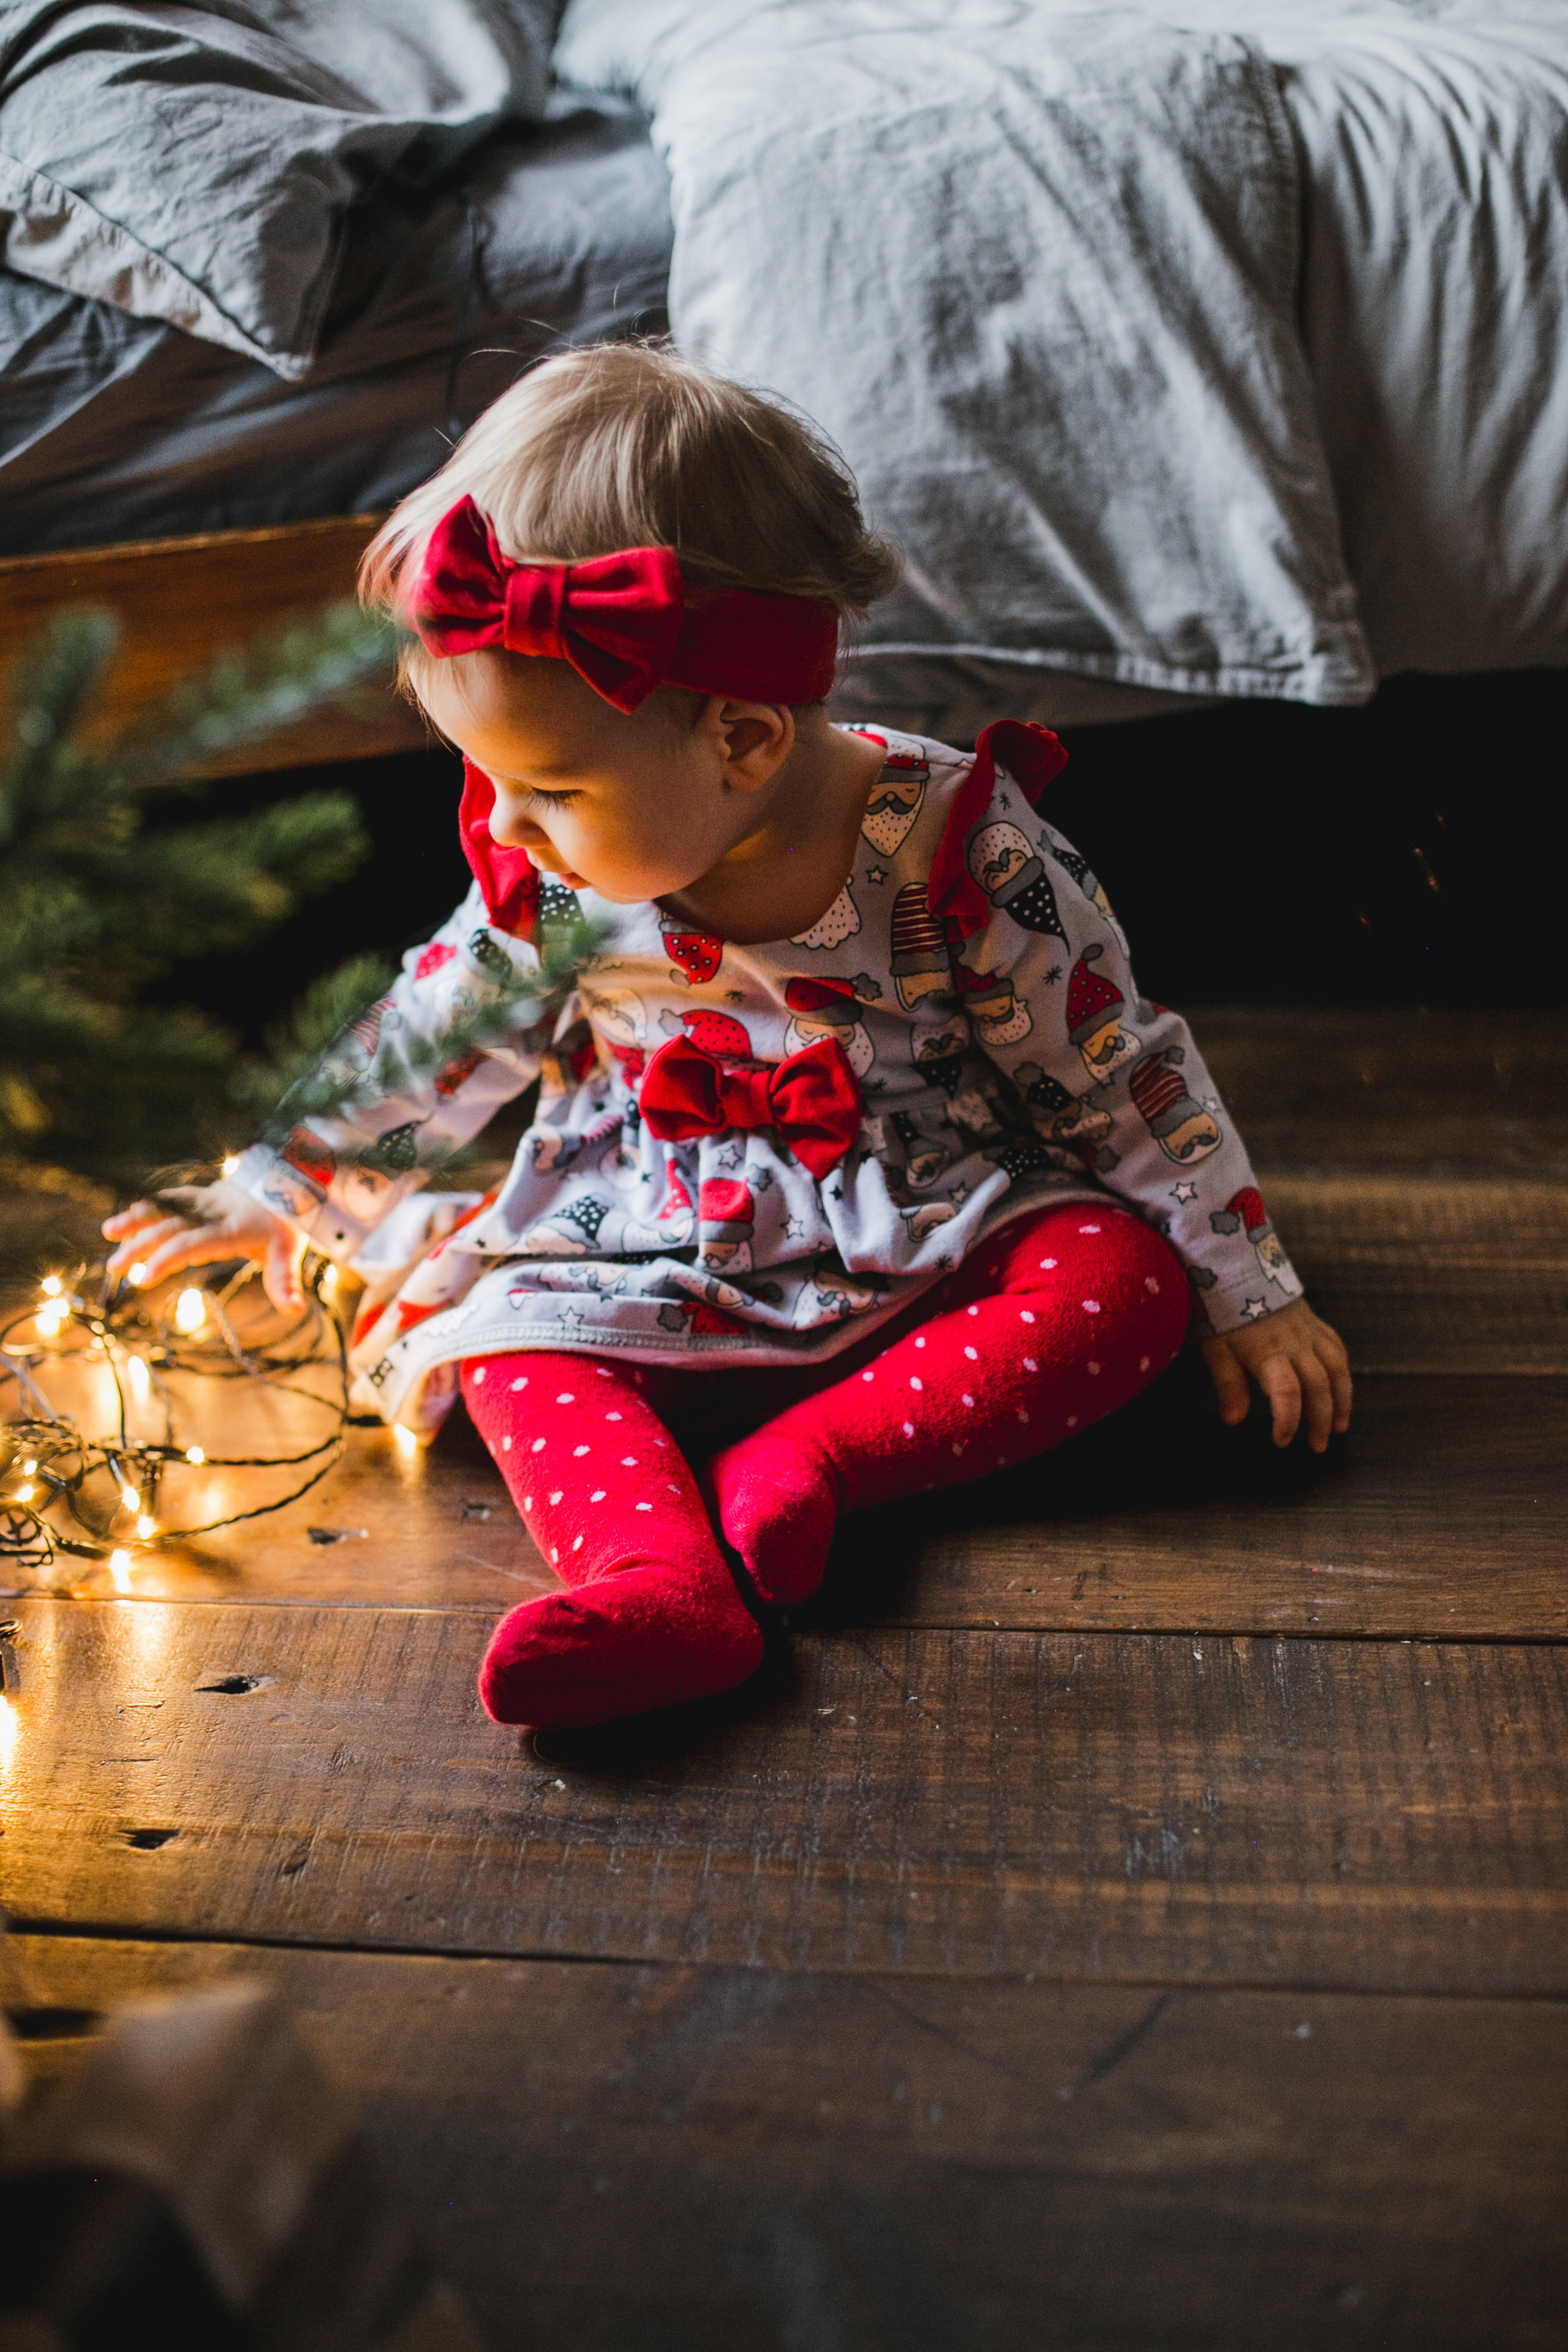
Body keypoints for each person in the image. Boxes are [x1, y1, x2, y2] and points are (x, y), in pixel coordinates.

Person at [104, 344, 1352, 1731]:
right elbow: (439, 1030)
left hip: (931, 1205)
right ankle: (654, 1578)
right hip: (646, 1220)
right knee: (505, 1346)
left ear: (744, 741)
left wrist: (1252, 1285)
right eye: (488, 779)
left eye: (549, 787)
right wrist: (280, 1180)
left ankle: (816, 1457)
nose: (503, 825)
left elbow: (1115, 1068)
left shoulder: (957, 848)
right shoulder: (554, 873)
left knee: (1122, 1287)